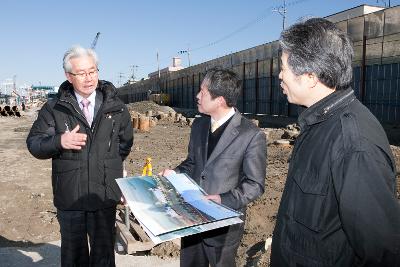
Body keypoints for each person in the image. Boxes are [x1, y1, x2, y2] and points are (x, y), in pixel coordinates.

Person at [270, 18, 400, 266]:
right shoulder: (318, 123)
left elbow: (383, 252)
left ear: (309, 76)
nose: (279, 75)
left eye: (283, 67)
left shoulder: (354, 143)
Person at [26, 45, 133, 267]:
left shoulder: (117, 108)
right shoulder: (55, 108)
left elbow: (124, 145)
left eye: (92, 71)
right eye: (81, 73)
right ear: (68, 76)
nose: (89, 78)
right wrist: (59, 141)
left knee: (103, 258)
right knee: (74, 258)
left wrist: (109, 167)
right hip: (70, 196)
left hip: (103, 194)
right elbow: (34, 144)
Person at [161, 68, 266, 267]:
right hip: (192, 219)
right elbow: (192, 163)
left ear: (220, 100)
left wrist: (222, 199)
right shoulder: (199, 126)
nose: (197, 96)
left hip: (223, 227)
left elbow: (255, 185)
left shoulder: (251, 135)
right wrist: (174, 172)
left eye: (203, 92)